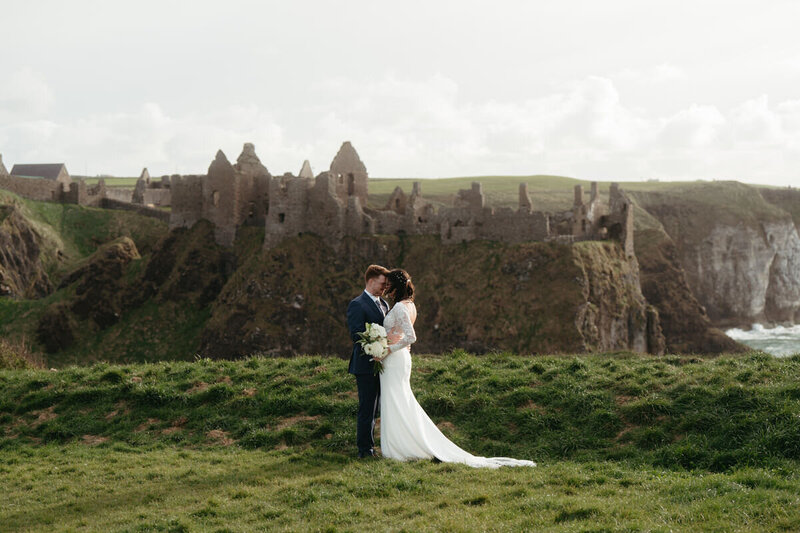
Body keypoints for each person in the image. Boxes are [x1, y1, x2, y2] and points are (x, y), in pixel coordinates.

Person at [376, 268, 535, 468]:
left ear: (397, 286)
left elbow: (411, 337)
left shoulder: (399, 307)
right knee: (400, 401)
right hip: (401, 358)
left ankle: (399, 447)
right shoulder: (409, 305)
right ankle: (403, 443)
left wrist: (387, 350)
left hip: (395, 358)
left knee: (397, 400)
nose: (387, 289)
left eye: (389, 285)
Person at [346, 264, 393, 458]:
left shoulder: (385, 304)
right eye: (382, 284)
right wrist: (374, 346)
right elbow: (356, 334)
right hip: (365, 365)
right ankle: (365, 450)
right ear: (371, 281)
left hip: (383, 364)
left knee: (378, 408)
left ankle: (375, 446)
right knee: (367, 408)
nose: (384, 288)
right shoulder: (357, 304)